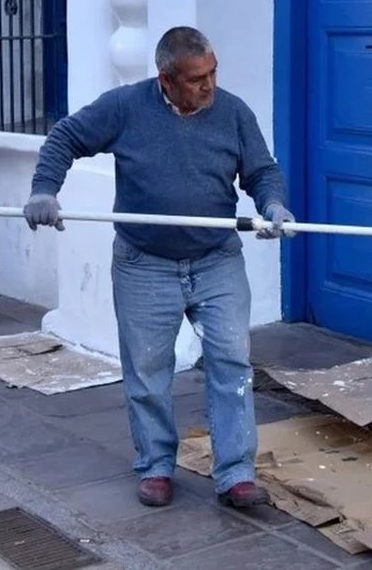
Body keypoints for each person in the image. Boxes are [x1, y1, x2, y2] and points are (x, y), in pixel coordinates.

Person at [23, 25, 295, 510]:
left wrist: (273, 204)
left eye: (212, 73)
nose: (208, 86)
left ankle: (235, 473)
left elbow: (261, 171)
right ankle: (155, 465)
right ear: (165, 80)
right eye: (196, 79)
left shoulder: (232, 112)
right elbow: (64, 138)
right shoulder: (125, 107)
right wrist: (45, 190)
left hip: (216, 259)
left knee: (232, 363)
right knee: (148, 369)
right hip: (144, 263)